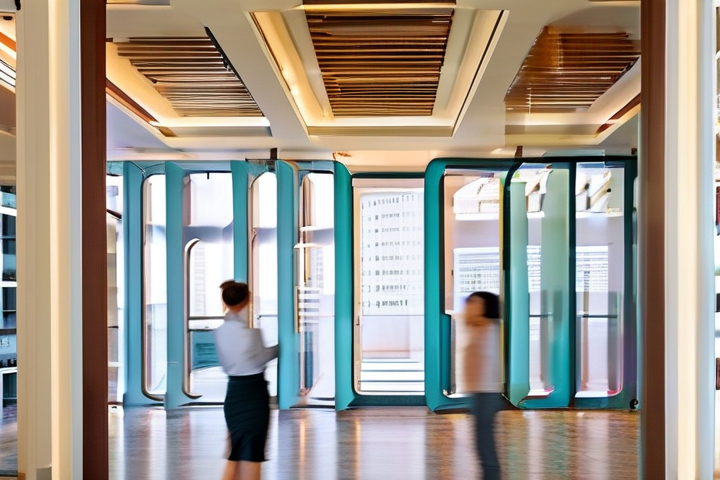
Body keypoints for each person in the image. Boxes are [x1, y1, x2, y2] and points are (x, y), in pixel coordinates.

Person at [213, 280, 278, 480]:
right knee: (252, 452)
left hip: (233, 395)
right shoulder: (251, 334)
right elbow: (263, 358)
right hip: (254, 394)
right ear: (247, 301)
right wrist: (283, 346)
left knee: (235, 451)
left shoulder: (219, 332)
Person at [462, 291, 504, 480]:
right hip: (479, 391)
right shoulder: (478, 328)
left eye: (474, 304)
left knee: (484, 438)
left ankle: (491, 474)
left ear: (484, 307)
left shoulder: (488, 327)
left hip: (486, 391)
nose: (469, 307)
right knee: (481, 437)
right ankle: (490, 472)